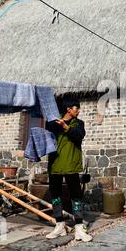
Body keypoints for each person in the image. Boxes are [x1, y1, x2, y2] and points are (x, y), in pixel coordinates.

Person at [44, 98, 92, 242]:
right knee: (56, 195)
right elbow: (46, 138)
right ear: (68, 109)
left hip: (71, 164)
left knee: (76, 195)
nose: (79, 110)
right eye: (76, 107)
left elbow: (79, 136)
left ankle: (79, 229)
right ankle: (59, 226)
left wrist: (66, 127)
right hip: (55, 164)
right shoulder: (52, 123)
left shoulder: (79, 123)